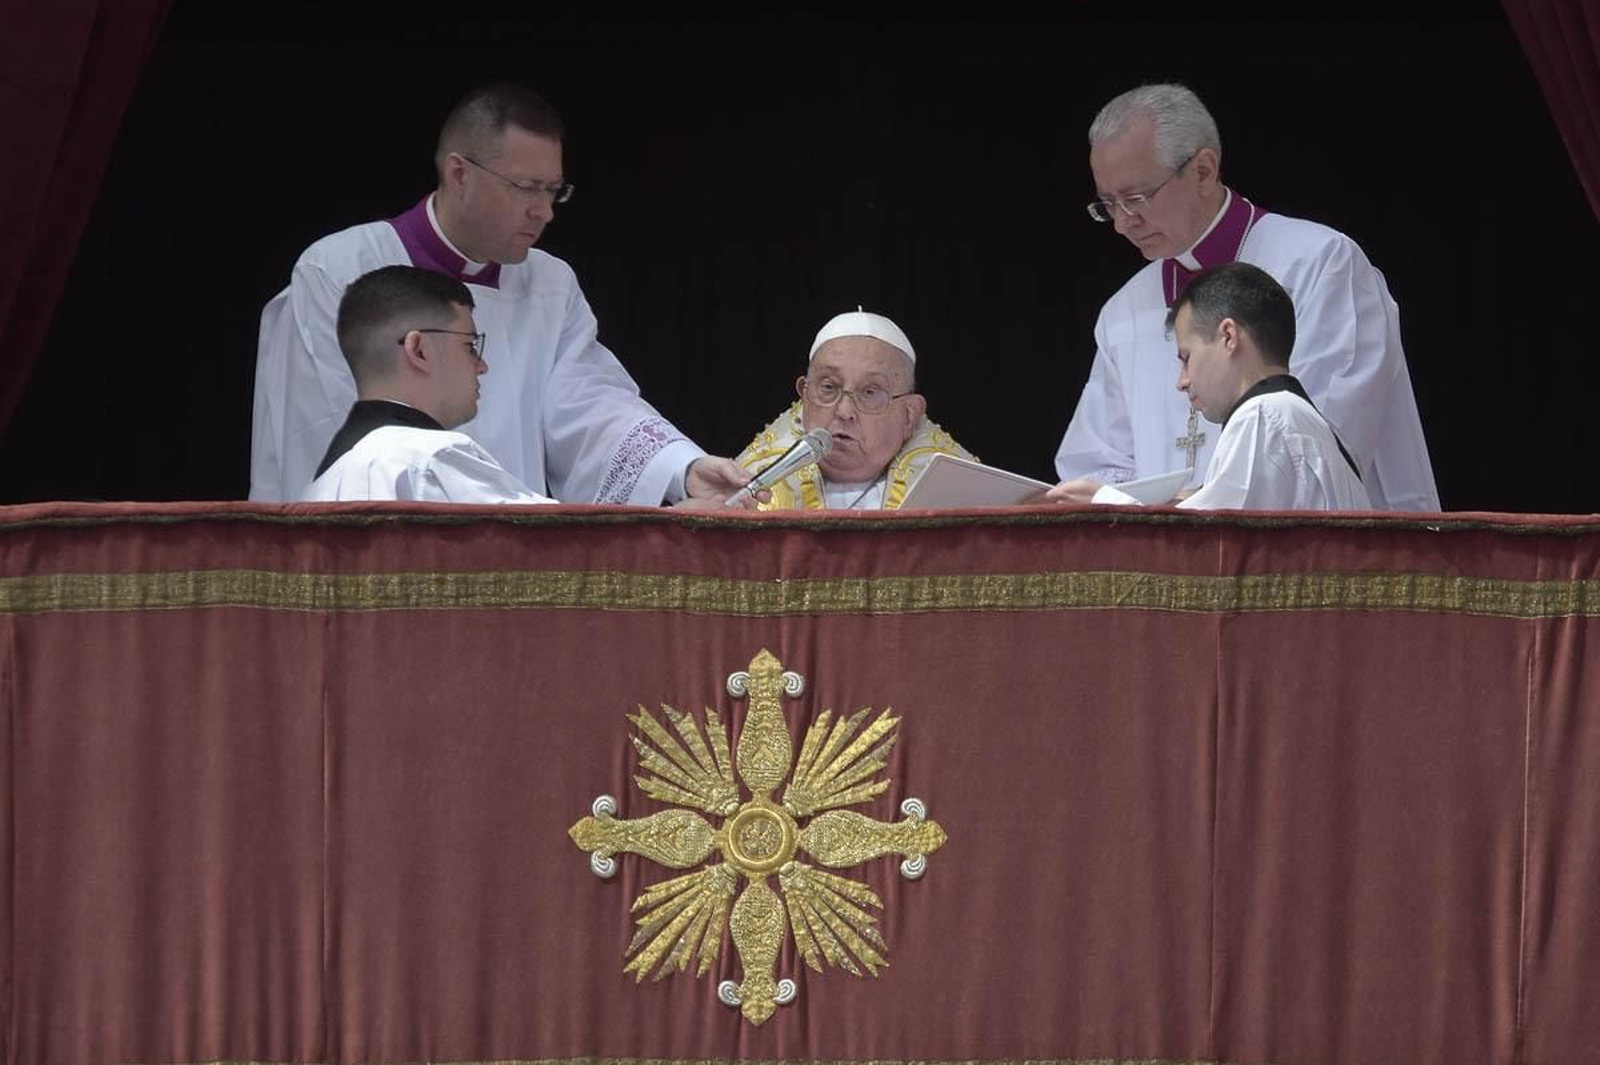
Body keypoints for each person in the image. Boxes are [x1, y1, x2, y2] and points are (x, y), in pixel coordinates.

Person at [253, 83, 750, 505]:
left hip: (510, 552)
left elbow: (590, 406)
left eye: (554, 190)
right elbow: (323, 439)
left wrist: (680, 470)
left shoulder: (550, 283)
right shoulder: (339, 270)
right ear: (459, 173)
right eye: (526, 187)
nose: (545, 211)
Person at [1054, 83, 1438, 511]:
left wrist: (1142, 506)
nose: (1123, 224)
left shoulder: (1319, 264)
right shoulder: (1123, 312)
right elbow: (1094, 466)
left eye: (1137, 198)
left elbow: (1311, 459)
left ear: (1202, 169)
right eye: (1108, 205)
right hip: (1166, 567)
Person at [1051, 263, 1369, 511]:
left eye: (1186, 357)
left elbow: (1212, 549)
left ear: (1228, 336)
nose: (1182, 381)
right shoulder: (1301, 418)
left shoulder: (1263, 415)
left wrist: (1105, 503)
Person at [304, 266, 556, 503]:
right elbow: (564, 542)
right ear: (420, 351)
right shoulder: (429, 458)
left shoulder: (319, 488)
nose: (482, 366)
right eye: (470, 346)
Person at [732, 309, 974, 510]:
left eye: (870, 392)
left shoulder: (962, 494)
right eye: (828, 387)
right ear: (805, 395)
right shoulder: (748, 491)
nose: (844, 411)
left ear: (909, 415)